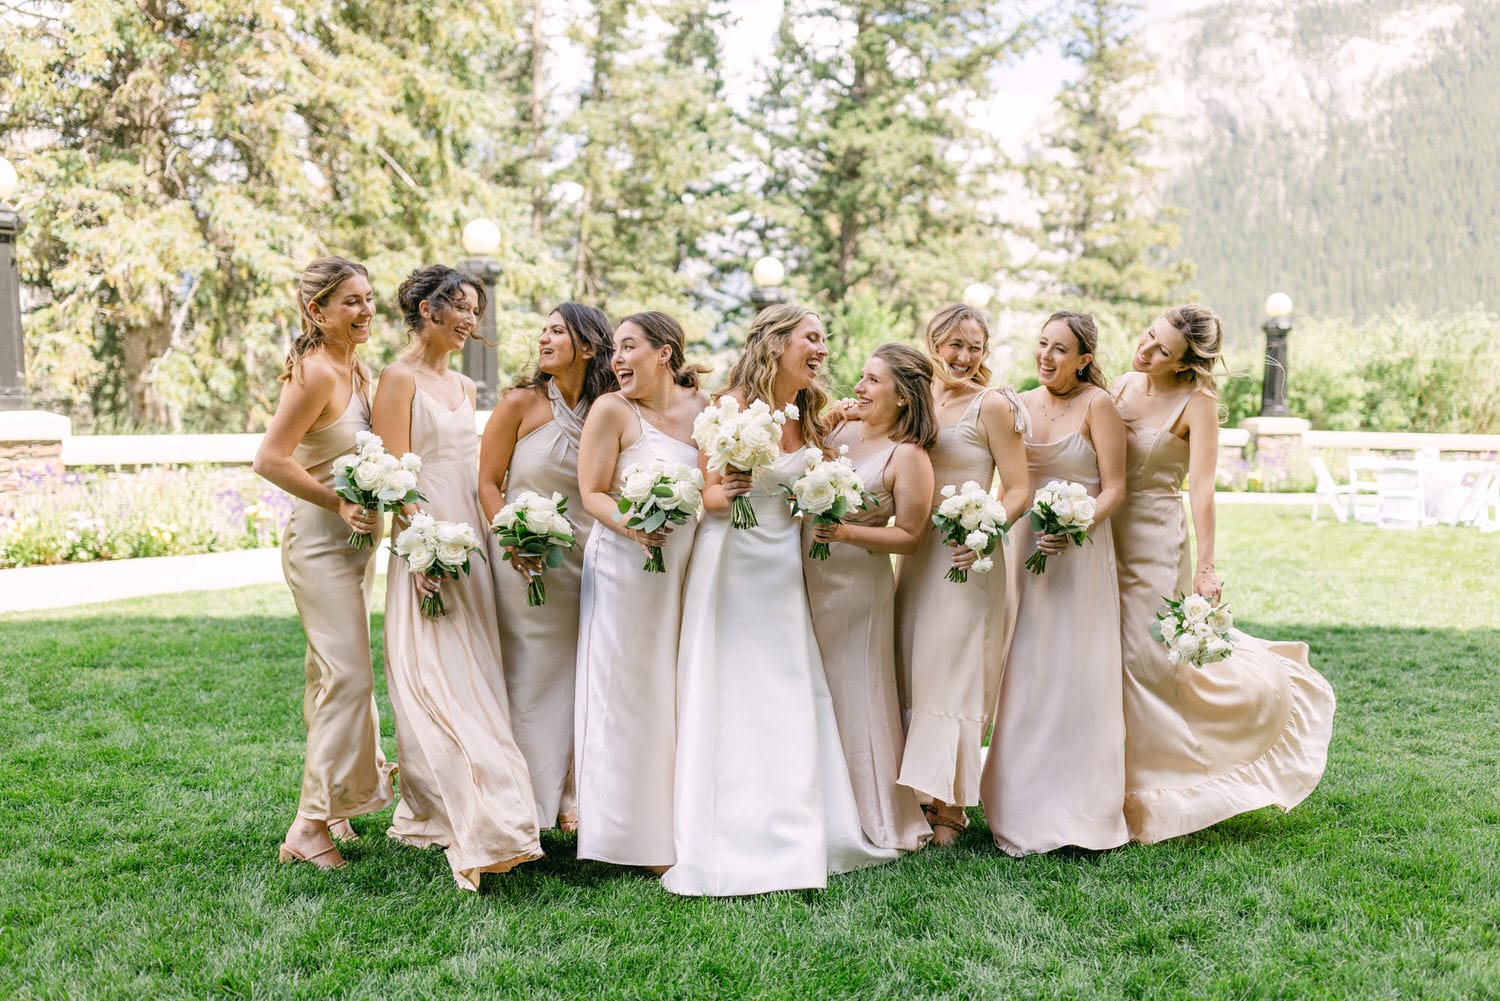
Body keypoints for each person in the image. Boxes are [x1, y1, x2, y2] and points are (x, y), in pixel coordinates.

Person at [662, 304, 898, 896]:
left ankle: (800, 824)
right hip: (733, 563)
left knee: (789, 684)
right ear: (776, 342)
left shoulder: (809, 412)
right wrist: (730, 488)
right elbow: (707, 498)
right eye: (810, 338)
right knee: (735, 686)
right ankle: (734, 829)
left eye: (824, 339)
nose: (821, 348)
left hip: (785, 570)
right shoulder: (730, 408)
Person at [1111, 304, 1335, 843]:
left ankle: (1158, 787)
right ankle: (1101, 775)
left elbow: (1202, 490)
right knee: (1106, 657)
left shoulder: (1199, 402)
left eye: (1162, 350)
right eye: (1149, 336)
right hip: (1104, 536)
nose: (1147, 350)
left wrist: (1206, 567)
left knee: (1146, 660)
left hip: (1155, 541)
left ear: (1188, 362)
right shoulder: (1120, 386)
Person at [371, 265, 541, 890]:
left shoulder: (468, 388)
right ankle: (455, 808)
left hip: (470, 534)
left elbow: (478, 475)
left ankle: (484, 802)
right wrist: (421, 552)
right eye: (461, 307)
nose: (472, 319)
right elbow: (395, 476)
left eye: (476, 309)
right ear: (426, 308)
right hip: (426, 533)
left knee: (473, 670)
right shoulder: (397, 378)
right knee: (433, 673)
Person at [253, 256, 394, 870]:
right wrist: (338, 501)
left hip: (357, 546)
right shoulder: (314, 372)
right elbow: (270, 458)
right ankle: (308, 828)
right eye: (352, 303)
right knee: (350, 677)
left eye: (368, 299)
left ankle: (337, 806)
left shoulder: (354, 368)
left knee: (327, 677)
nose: (366, 311)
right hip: (318, 543)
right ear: (318, 311)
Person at [980, 310, 1130, 857]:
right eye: (1042, 345)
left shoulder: (1099, 406)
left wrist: (1077, 523)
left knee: (1074, 671)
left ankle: (1082, 807)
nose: (1046, 356)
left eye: (1060, 350)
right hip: (1025, 549)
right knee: (1024, 666)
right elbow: (1008, 478)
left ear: (1085, 359)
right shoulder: (1017, 402)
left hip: (1079, 555)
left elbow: (1114, 488)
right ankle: (1017, 805)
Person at [573, 312, 710, 871]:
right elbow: (592, 493)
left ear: (665, 353)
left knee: (674, 688)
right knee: (626, 691)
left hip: (685, 568)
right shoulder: (612, 411)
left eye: (629, 348)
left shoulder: (705, 410)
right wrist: (633, 524)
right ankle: (622, 835)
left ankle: (677, 821)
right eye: (614, 352)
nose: (616, 362)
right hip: (623, 567)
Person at [892, 304, 1030, 845]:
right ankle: (918, 795)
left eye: (975, 346)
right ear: (932, 341)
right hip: (915, 551)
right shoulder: (916, 397)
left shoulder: (992, 404)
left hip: (965, 559)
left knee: (955, 671)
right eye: (954, 344)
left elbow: (1018, 487)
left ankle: (950, 809)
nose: (964, 356)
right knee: (915, 665)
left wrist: (986, 529)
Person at [478, 303, 616, 831]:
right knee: (532, 676)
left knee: (584, 674)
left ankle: (572, 796)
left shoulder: (612, 408)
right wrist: (512, 537)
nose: (543, 338)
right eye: (543, 330)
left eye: (557, 330)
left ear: (588, 345)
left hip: (591, 560)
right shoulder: (519, 403)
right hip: (525, 560)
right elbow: (488, 483)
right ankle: (521, 807)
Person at [805, 343, 936, 852]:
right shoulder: (838, 433)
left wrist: (847, 535)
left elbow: (909, 535)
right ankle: (820, 804)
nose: (859, 387)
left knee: (858, 690)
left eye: (872, 380)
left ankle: (877, 812)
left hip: (857, 583)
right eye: (861, 377)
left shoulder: (910, 457)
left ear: (902, 395)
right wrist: (827, 417)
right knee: (814, 687)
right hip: (805, 574)